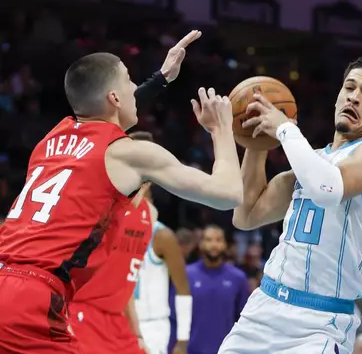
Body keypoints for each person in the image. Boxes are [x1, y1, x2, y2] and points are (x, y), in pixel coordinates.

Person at [0, 31, 243, 353]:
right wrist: (222, 130)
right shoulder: (130, 154)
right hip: (32, 298)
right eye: (129, 80)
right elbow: (228, 194)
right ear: (114, 97)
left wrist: (161, 78)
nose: (133, 87)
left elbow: (103, 115)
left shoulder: (51, 140)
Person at [219, 56, 362, 354]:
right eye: (349, 88)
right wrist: (257, 143)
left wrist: (284, 129)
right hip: (262, 309)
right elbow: (246, 215)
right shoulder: (310, 161)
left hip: (318, 324)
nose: (354, 97)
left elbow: (328, 188)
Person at [69, 184, 153, 354]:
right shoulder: (97, 203)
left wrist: (137, 334)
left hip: (117, 320)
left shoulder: (150, 213)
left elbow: (127, 279)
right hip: (82, 313)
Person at [129, 131, 192, 354]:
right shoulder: (109, 226)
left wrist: (182, 341)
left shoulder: (162, 236)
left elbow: (183, 288)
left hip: (152, 327)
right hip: (115, 323)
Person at [186, 225, 249, 353]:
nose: (214, 245)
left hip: (227, 350)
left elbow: (244, 320)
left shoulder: (238, 278)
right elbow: (175, 317)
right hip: (192, 350)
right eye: (209, 240)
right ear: (201, 244)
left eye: (218, 240)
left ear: (225, 245)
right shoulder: (187, 275)